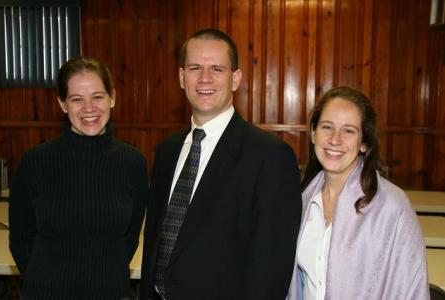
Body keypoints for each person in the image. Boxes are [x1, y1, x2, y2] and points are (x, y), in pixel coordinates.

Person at [139, 28, 302, 300]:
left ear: (235, 79)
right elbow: (155, 244)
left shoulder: (270, 157)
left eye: (217, 68)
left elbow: (271, 269)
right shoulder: (167, 151)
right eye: (195, 68)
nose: (205, 78)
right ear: (181, 77)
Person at [9, 57, 149, 300]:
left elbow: (130, 237)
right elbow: (21, 239)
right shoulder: (34, 162)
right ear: (62, 104)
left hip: (110, 293)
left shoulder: (133, 163)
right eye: (76, 99)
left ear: (112, 98)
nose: (89, 108)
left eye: (97, 96)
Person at [286, 86, 430, 299]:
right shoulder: (302, 200)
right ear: (313, 134)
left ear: (364, 143)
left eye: (349, 130)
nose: (335, 139)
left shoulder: (392, 207)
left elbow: (412, 291)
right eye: (327, 127)